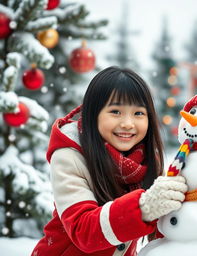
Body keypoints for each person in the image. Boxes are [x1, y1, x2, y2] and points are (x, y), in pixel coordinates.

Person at [31, 66, 187, 256]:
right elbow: (83, 230)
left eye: (138, 113)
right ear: (93, 114)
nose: (128, 123)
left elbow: (164, 231)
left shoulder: (147, 162)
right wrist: (144, 207)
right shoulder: (70, 156)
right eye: (115, 112)